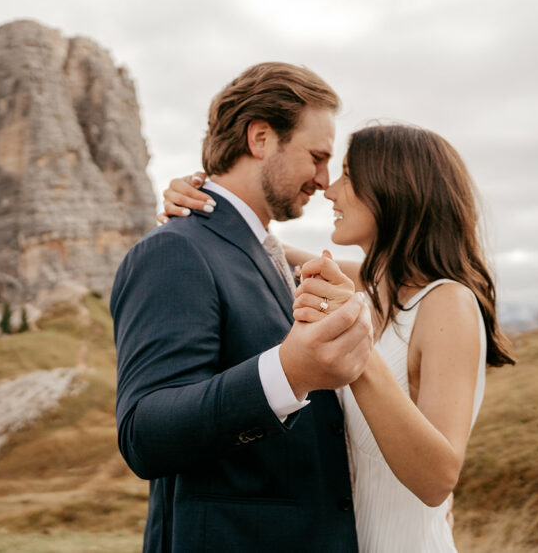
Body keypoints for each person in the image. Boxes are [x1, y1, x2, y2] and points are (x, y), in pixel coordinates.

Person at [162, 123, 516, 552]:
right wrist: (201, 199)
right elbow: (262, 247)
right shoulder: (374, 287)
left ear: (393, 188)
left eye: (348, 174)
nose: (330, 190)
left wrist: (355, 352)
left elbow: (438, 480)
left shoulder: (448, 302)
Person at [112, 62, 374, 552]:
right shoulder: (175, 250)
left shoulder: (264, 252)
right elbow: (145, 433)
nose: (323, 179)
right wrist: (288, 372)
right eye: (316, 156)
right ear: (260, 138)